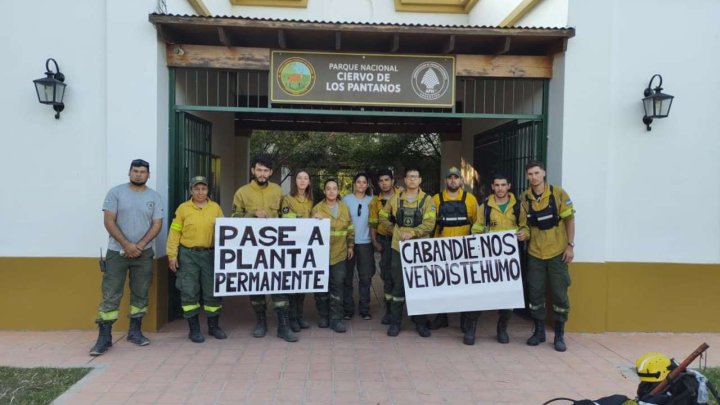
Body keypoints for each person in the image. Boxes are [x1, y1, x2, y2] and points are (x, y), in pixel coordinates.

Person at [90, 159, 164, 356]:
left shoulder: (154, 197)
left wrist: (139, 246)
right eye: (135, 171)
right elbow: (108, 220)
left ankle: (135, 331)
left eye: (142, 172)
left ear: (148, 175)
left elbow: (157, 224)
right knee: (111, 293)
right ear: (129, 172)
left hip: (144, 253)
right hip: (117, 252)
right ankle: (104, 338)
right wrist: (126, 244)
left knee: (140, 291)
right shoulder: (116, 193)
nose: (138, 174)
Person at [232, 155, 296, 342]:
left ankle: (283, 326)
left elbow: (286, 215)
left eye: (266, 171)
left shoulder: (278, 191)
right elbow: (233, 219)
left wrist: (307, 222)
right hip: (252, 248)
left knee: (279, 286)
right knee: (256, 286)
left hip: (275, 248)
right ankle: (261, 322)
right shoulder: (241, 192)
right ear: (253, 170)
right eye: (259, 170)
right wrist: (252, 215)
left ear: (270, 173)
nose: (262, 174)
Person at [518, 160, 575, 352]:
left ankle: (559, 335)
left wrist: (570, 246)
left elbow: (569, 219)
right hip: (535, 253)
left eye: (536, 173)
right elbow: (523, 224)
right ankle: (539, 332)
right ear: (527, 177)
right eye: (530, 174)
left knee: (560, 293)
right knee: (535, 293)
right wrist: (524, 233)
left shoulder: (558, 194)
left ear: (543, 174)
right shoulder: (524, 198)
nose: (533, 177)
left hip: (557, 252)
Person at [166, 176, 226, 343]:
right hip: (188, 255)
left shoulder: (215, 208)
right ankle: (194, 330)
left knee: (212, 291)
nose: (200, 192)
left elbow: (225, 232)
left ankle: (214, 327)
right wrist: (172, 255)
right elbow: (174, 232)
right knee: (189, 290)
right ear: (191, 190)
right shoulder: (183, 209)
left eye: (203, 189)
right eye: (197, 189)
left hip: (210, 254)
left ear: (208, 190)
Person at [379, 167, 436, 337]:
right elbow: (382, 215)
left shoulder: (427, 200)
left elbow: (430, 224)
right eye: (409, 177)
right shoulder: (396, 198)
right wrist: (393, 229)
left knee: (419, 285)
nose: (412, 180)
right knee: (398, 285)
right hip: (398, 247)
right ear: (404, 180)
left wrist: (413, 233)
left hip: (419, 248)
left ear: (420, 180)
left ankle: (420, 322)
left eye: (415, 177)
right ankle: (395, 323)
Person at [430, 166, 479, 344]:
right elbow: (431, 223)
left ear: (461, 181)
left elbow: (477, 224)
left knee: (465, 286)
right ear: (445, 181)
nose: (453, 180)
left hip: (464, 249)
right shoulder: (436, 199)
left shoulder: (471, 199)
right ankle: (442, 316)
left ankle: (465, 319)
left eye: (456, 178)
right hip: (442, 248)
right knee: (442, 284)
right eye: (449, 178)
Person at [471, 173, 521, 344]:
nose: (500, 188)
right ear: (492, 187)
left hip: (509, 260)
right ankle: (471, 329)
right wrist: (477, 234)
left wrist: (524, 234)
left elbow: (525, 228)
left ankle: (502, 328)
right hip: (487, 257)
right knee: (479, 294)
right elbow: (477, 227)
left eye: (503, 185)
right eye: (497, 185)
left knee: (507, 296)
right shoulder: (484, 207)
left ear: (509, 186)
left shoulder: (519, 206)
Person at [311, 179, 354, 333]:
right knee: (321, 286)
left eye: (334, 189)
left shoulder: (344, 207)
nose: (331, 191)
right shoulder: (317, 208)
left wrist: (350, 245)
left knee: (337, 286)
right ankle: (323, 316)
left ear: (338, 191)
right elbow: (309, 232)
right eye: (328, 189)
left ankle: (336, 319)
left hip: (340, 253)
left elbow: (350, 228)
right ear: (324, 191)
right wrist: (313, 220)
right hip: (321, 255)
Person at [280, 170, 314, 332]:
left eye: (305, 178)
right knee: (292, 284)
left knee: (302, 283)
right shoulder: (287, 199)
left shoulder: (311, 200)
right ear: (295, 181)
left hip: (307, 245)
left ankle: (300, 317)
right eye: (299, 178)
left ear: (309, 182)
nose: (302, 181)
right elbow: (285, 218)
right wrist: (304, 220)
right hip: (291, 245)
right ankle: (292, 318)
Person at [342, 172, 375, 321]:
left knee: (365, 278)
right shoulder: (346, 200)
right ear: (354, 184)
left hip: (366, 244)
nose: (361, 185)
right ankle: (348, 309)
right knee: (347, 278)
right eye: (358, 182)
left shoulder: (372, 201)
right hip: (348, 243)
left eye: (364, 182)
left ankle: (365, 309)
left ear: (367, 185)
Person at [369, 169, 399, 325]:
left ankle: (405, 310)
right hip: (386, 241)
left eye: (387, 179)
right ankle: (389, 311)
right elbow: (373, 224)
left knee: (403, 276)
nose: (384, 183)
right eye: (381, 180)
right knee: (387, 276)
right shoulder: (375, 201)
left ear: (392, 180)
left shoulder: (403, 195)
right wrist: (375, 242)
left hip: (403, 241)